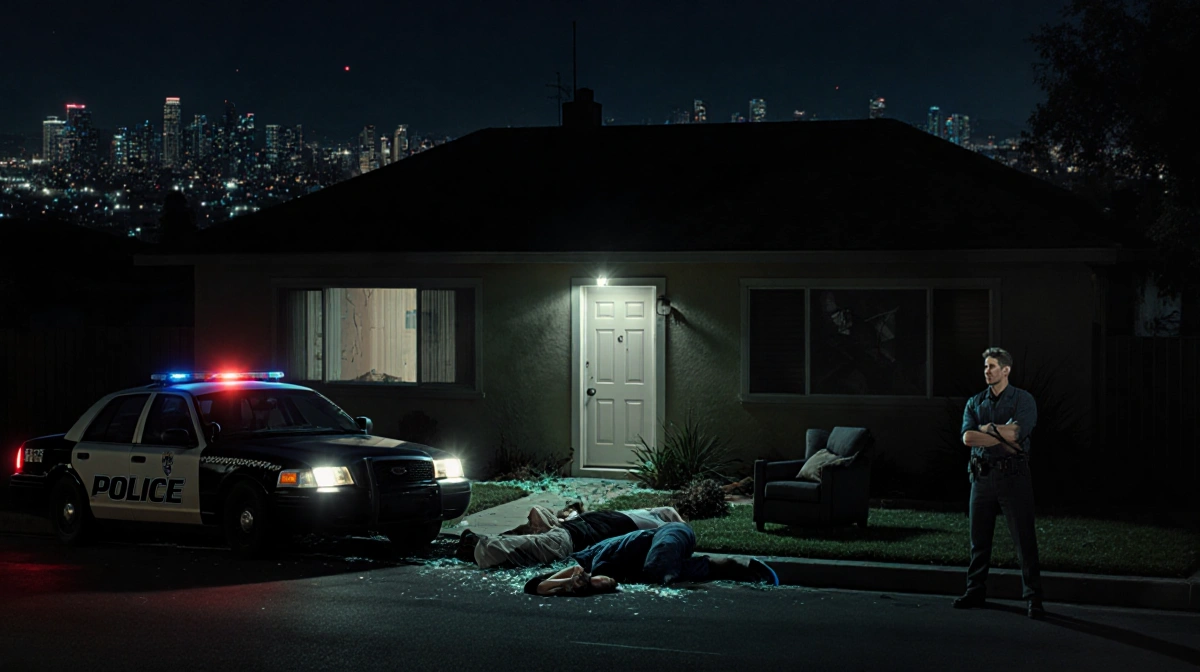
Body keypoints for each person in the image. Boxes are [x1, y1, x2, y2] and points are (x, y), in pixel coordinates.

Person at [954, 347, 1043, 619]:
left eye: (992, 366)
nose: (987, 371)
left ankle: (1033, 598)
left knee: (1023, 538)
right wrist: (999, 434)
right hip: (981, 476)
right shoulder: (975, 402)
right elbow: (968, 438)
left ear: (1006, 370)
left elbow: (1018, 432)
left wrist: (986, 429)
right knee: (978, 539)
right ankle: (975, 590)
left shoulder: (1023, 400)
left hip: (1013, 476)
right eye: (985, 367)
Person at [523, 522, 778, 596]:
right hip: (666, 552)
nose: (605, 584)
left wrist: (554, 586)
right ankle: (742, 566)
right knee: (679, 572)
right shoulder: (626, 576)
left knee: (658, 571)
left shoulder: (596, 560)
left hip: (671, 531)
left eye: (595, 583)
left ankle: (738, 565)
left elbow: (541, 584)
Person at [456, 505, 686, 569]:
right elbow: (674, 520)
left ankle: (480, 543)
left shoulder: (638, 517)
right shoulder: (653, 525)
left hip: (569, 531)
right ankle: (476, 544)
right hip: (568, 537)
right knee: (524, 549)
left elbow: (670, 513)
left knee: (535, 540)